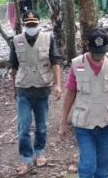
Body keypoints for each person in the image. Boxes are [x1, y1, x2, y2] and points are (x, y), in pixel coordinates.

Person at [60, 28, 108, 178]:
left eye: (102, 52)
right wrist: (63, 122)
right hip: (84, 125)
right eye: (96, 52)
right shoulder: (77, 64)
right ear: (88, 48)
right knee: (88, 166)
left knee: (103, 169)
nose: (99, 56)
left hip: (107, 123)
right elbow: (70, 93)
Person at [10, 12, 64, 175]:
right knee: (23, 126)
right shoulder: (16, 40)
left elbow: (55, 62)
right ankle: (26, 159)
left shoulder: (48, 38)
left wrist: (58, 84)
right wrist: (14, 88)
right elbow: (13, 66)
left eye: (34, 25)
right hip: (24, 89)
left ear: (38, 24)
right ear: (24, 25)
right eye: (29, 25)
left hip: (42, 88)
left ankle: (39, 152)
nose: (32, 27)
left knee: (41, 126)